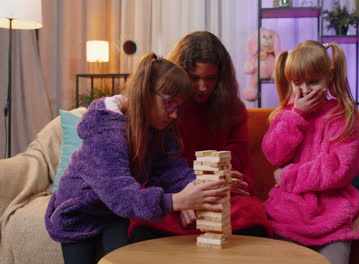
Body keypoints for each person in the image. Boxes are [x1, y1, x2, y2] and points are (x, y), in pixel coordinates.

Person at [45, 52, 230, 264]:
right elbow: (123, 197)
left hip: (112, 214)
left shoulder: (158, 128)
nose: (174, 115)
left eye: (178, 107)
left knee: (128, 257)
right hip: (79, 214)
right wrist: (177, 200)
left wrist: (198, 187)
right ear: (145, 94)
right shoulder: (106, 135)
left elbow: (171, 169)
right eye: (169, 104)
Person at [130, 31, 271, 241]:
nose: (203, 88)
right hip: (170, 190)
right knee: (145, 223)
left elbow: (237, 168)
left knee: (252, 218)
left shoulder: (233, 109)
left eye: (210, 78)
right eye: (194, 78)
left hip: (222, 192)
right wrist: (183, 199)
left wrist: (203, 196)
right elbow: (154, 166)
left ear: (221, 78)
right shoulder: (164, 108)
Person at [262, 40, 359, 264]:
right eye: (297, 83)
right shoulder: (285, 115)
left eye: (313, 82)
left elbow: (339, 168)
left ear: (329, 77)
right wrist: (296, 116)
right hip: (289, 212)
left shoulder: (342, 115)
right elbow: (274, 155)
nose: (304, 90)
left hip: (333, 214)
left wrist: (288, 176)